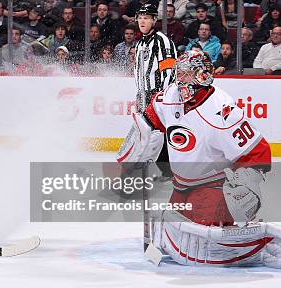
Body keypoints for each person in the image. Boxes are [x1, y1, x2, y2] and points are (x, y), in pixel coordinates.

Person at [117, 50, 280, 268]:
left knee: (202, 239)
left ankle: (259, 246)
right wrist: (133, 158)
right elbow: (148, 121)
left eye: (186, 74)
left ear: (202, 75)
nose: (179, 80)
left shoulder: (221, 111)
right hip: (182, 185)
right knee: (175, 232)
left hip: (215, 184)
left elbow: (258, 151)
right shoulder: (169, 97)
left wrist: (245, 187)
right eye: (178, 73)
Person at [132, 3, 177, 179]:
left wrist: (162, 95)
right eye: (140, 18)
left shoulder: (162, 40)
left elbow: (169, 69)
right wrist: (139, 93)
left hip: (158, 95)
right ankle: (166, 170)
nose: (142, 21)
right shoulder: (141, 42)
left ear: (154, 20)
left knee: (158, 133)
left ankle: (167, 170)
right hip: (144, 95)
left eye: (146, 18)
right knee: (151, 133)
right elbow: (139, 72)